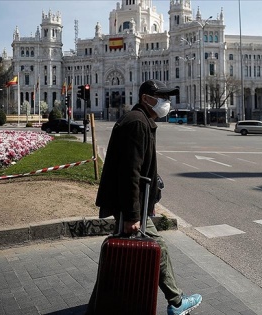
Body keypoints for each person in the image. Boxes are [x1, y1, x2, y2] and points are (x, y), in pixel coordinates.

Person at [86, 80, 202, 315]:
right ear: (146, 98)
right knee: (158, 249)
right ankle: (177, 302)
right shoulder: (137, 124)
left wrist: (149, 203)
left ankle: (96, 307)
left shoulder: (140, 120)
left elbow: (141, 168)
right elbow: (131, 173)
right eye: (162, 97)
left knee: (119, 255)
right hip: (128, 205)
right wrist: (132, 214)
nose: (166, 103)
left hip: (132, 203)